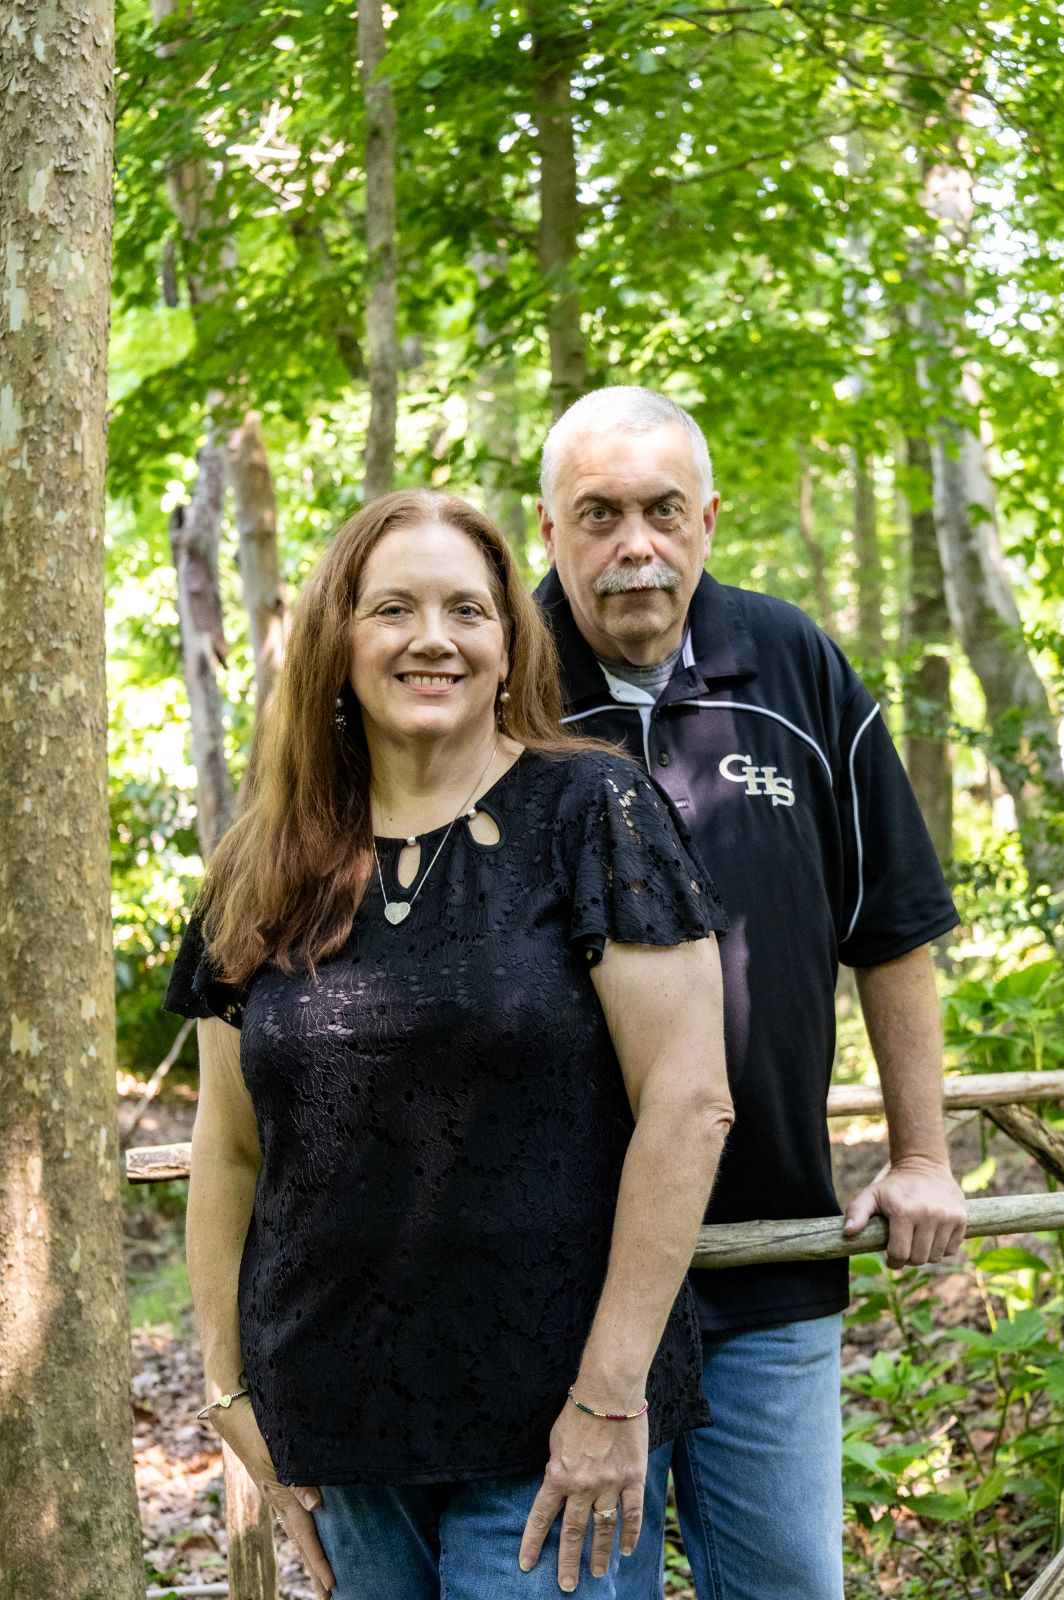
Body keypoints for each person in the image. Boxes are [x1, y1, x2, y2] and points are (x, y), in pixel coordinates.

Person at [163, 489, 736, 1600]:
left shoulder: (591, 810)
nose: (433, 638)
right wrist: (230, 1392)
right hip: (335, 1424)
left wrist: (611, 1394)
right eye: (393, 608)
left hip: (556, 1424)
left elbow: (687, 1100)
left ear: (507, 641)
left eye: (466, 609)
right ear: (338, 641)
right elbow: (226, 1148)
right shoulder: (260, 862)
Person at [533, 387, 968, 1600]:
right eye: (599, 514)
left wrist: (921, 1153)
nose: (635, 545)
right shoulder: (493, 681)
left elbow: (891, 930)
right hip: (557, 1286)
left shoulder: (794, 664)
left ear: (708, 519)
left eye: (662, 511)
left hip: (769, 1256)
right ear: (549, 526)